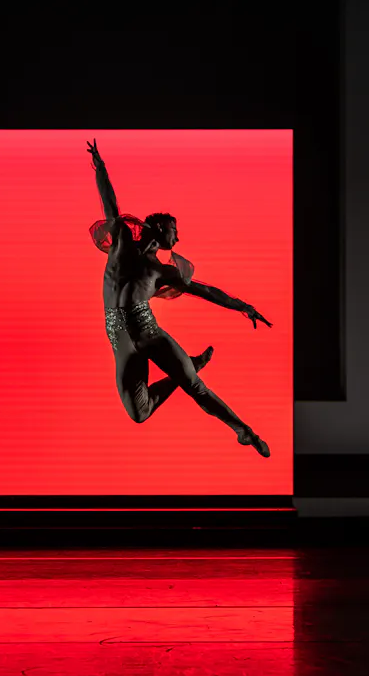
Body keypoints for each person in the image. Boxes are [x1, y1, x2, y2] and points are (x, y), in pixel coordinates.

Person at [86, 138, 272, 458]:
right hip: (119, 337)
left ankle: (245, 432)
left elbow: (206, 291)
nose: (178, 236)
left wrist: (243, 306)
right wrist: (100, 166)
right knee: (140, 413)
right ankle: (192, 365)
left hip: (148, 333)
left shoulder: (164, 272)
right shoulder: (122, 245)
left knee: (195, 388)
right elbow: (109, 204)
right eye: (175, 229)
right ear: (159, 228)